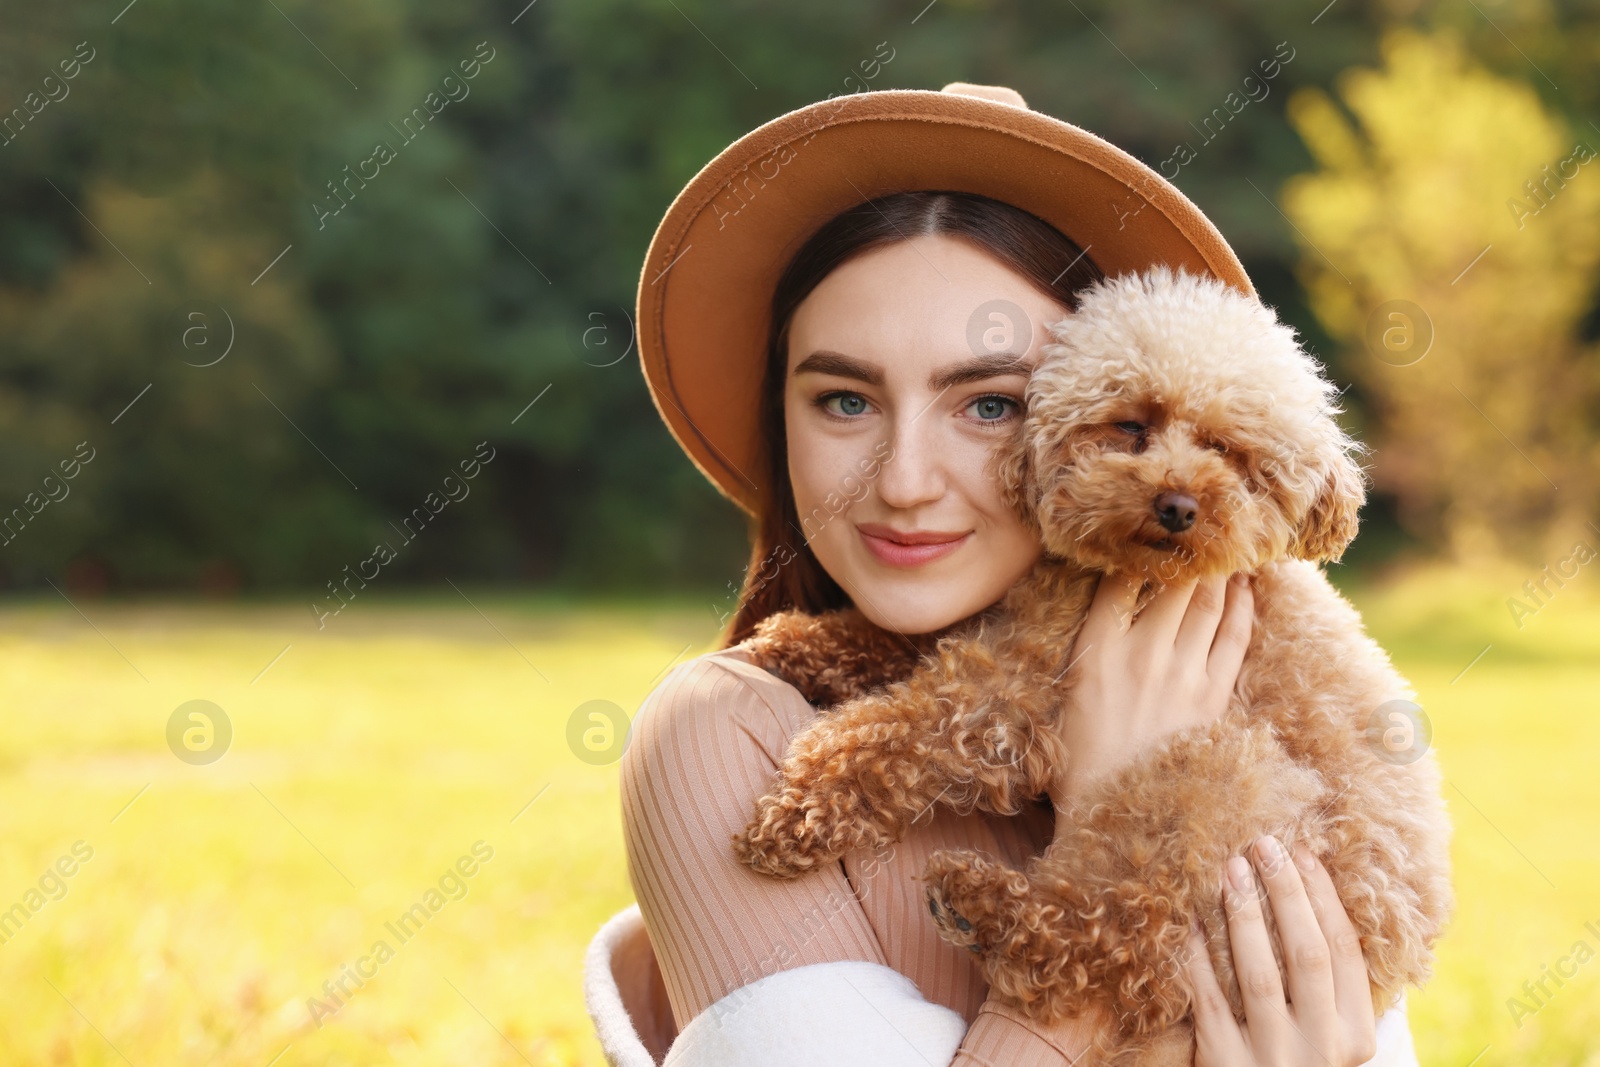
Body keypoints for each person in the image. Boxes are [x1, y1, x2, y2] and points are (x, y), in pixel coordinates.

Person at [587, 84, 1420, 1066]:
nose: (902, 481)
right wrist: (1104, 844)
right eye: (844, 399)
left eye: (988, 406)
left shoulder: (1275, 725)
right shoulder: (725, 733)